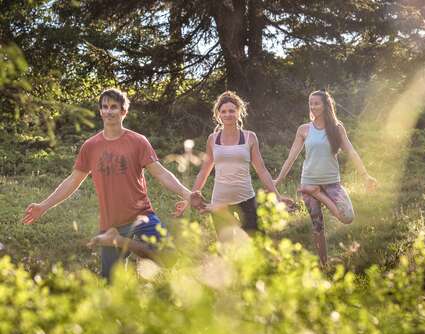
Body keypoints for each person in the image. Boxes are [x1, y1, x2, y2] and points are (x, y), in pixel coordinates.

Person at [22, 88, 203, 279]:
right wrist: (44, 206)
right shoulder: (90, 146)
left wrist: (188, 195)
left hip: (142, 215)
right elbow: (72, 181)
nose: (109, 111)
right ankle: (115, 240)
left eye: (114, 107)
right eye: (105, 107)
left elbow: (161, 174)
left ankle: (118, 241)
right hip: (111, 223)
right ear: (100, 111)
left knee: (168, 256)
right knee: (112, 285)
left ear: (124, 111)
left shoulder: (138, 141)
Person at [274, 89, 377, 266]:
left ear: (326, 105)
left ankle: (318, 194)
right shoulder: (304, 130)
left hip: (332, 183)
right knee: (317, 227)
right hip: (309, 182)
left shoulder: (337, 128)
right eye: (311, 103)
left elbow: (351, 151)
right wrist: (278, 179)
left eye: (317, 103)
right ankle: (324, 265)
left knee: (347, 217)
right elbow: (291, 157)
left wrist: (365, 175)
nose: (313, 106)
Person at [176, 91, 290, 236]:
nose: (228, 114)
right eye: (223, 111)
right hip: (220, 202)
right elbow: (204, 172)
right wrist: (188, 199)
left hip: (246, 199)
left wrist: (278, 198)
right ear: (218, 115)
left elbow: (262, 170)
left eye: (231, 111)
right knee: (227, 248)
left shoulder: (250, 137)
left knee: (257, 244)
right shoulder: (213, 139)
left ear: (238, 112)